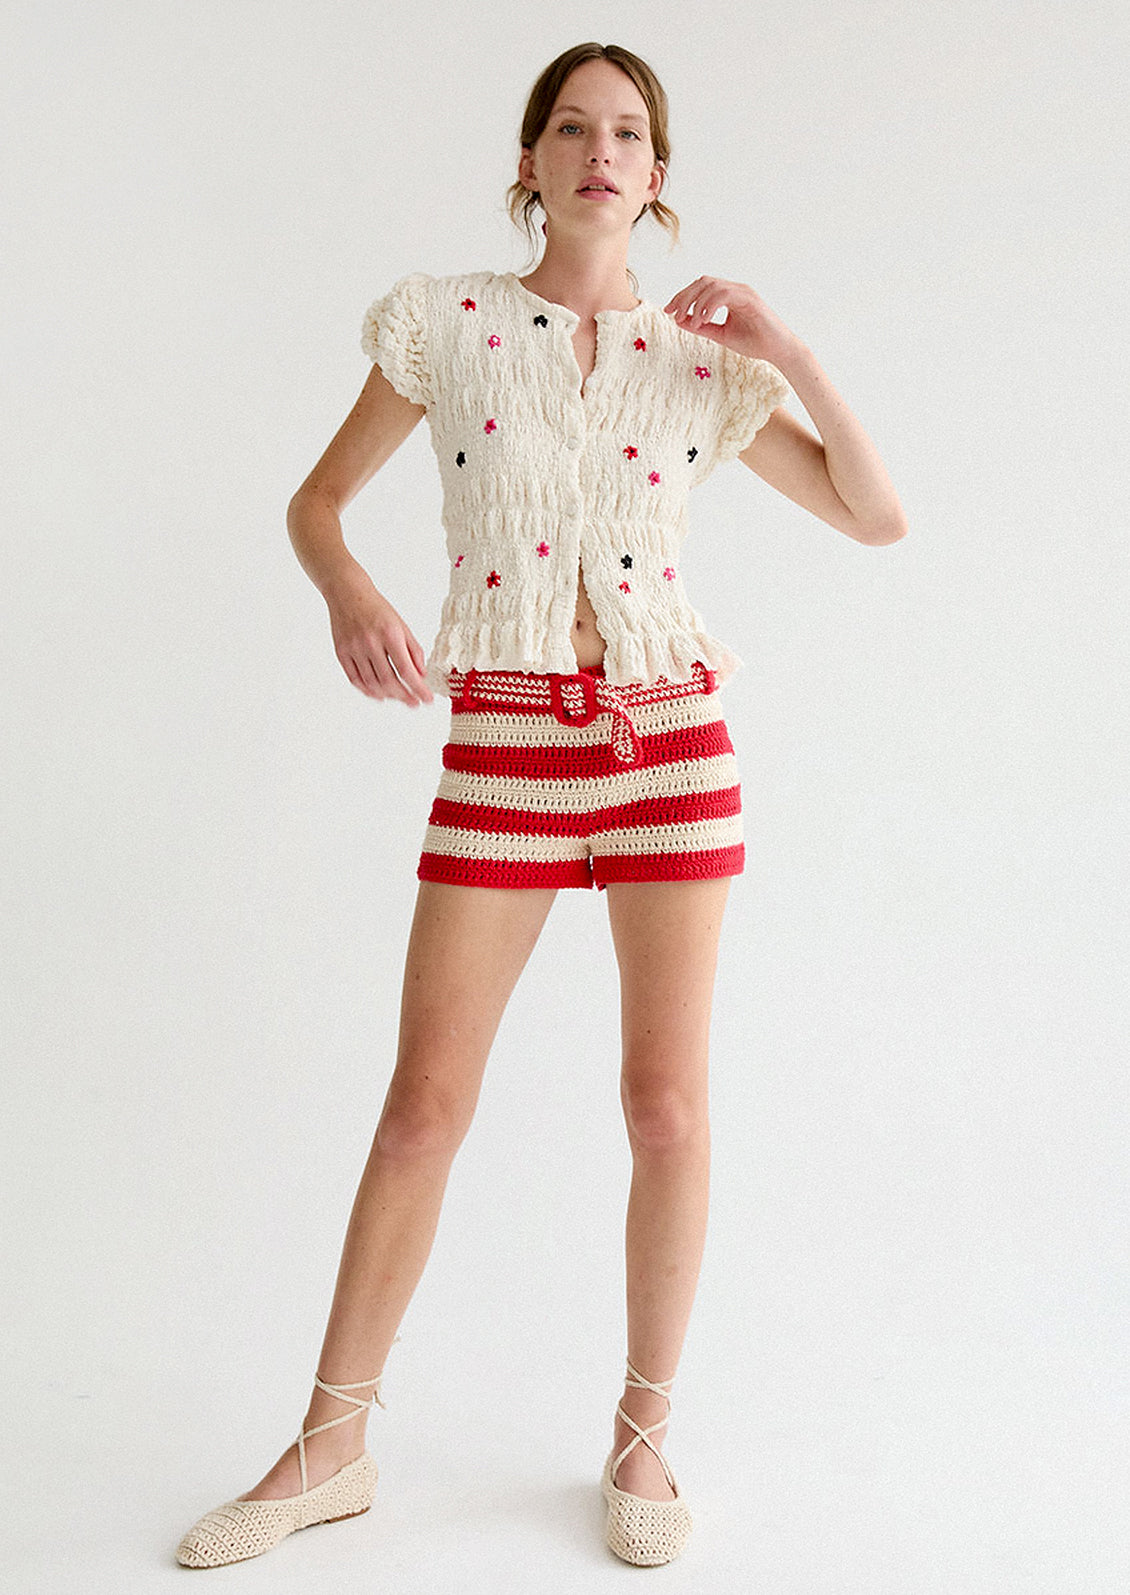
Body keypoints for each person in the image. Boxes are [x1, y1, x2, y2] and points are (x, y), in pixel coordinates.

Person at [175, 40, 907, 1572]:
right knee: (422, 1106)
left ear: (657, 178)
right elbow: (314, 501)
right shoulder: (447, 326)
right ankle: (331, 1443)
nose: (597, 151)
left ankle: (642, 1432)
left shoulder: (702, 362)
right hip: (506, 739)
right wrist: (349, 592)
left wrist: (785, 336)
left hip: (667, 750)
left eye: (626, 133)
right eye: (569, 128)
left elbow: (871, 513)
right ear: (529, 164)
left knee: (664, 1106)